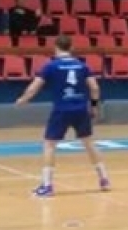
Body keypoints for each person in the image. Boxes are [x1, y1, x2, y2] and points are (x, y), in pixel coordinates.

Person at [13, 35, 110, 197]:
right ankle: (104, 179)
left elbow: (34, 87)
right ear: (71, 47)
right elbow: (95, 88)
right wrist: (93, 106)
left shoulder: (51, 66)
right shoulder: (82, 65)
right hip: (81, 108)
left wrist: (23, 99)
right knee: (88, 143)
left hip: (61, 109)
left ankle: (47, 185)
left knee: (49, 145)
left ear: (56, 47)